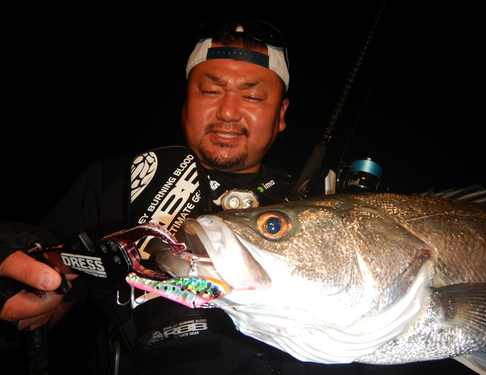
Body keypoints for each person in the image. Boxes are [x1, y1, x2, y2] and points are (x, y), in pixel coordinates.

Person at [0, 19, 344, 374]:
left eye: (253, 95)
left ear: (281, 114)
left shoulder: (317, 204)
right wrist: (12, 285)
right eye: (210, 91)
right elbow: (30, 311)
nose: (227, 111)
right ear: (186, 99)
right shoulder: (119, 181)